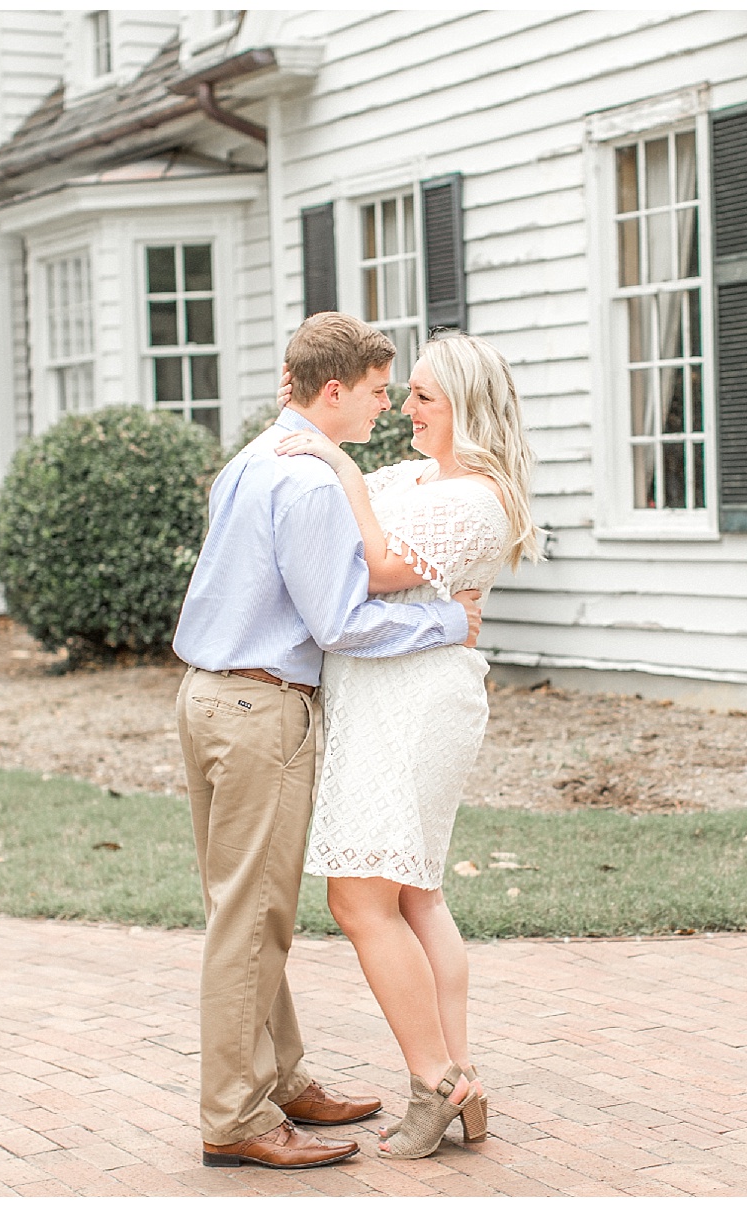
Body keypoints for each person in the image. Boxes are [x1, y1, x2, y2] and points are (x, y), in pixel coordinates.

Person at [170, 312, 485, 1172]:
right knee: (252, 918)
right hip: (260, 710)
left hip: (204, 697)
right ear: (335, 392)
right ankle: (235, 1116)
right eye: (382, 392)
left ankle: (280, 1077)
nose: (388, 407)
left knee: (244, 908)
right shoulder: (308, 484)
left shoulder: (252, 458)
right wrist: (447, 623)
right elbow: (343, 623)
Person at [273, 329, 541, 1159]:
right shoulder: (424, 475)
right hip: (391, 695)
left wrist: (341, 468)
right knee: (415, 894)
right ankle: (461, 1075)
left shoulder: (477, 498)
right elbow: (339, 517)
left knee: (360, 899)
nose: (405, 408)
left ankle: (435, 1082)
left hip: (415, 704)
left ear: (465, 406)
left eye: (422, 396)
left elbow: (375, 562)